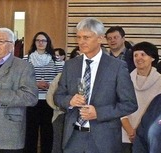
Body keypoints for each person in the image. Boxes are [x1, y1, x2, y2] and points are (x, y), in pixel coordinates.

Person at [54, 17, 137, 153]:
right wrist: (70, 100)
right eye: (78, 37)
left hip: (104, 140)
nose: (81, 42)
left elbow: (130, 104)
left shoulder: (117, 67)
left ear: (100, 38)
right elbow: (58, 96)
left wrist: (98, 113)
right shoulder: (71, 65)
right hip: (73, 137)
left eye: (86, 37)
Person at [22, 32, 62, 153]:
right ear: (34, 43)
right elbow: (21, 80)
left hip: (49, 101)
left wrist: (51, 85)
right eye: (38, 40)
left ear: (47, 43)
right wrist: (36, 84)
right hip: (32, 100)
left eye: (43, 40)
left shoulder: (56, 60)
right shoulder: (26, 59)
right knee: (30, 132)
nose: (40, 43)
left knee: (47, 132)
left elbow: (61, 79)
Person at [121, 42, 161, 153]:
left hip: (151, 137)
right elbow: (120, 107)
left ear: (152, 58)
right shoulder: (125, 80)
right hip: (126, 135)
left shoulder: (160, 81)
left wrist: (141, 132)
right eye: (135, 55)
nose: (138, 58)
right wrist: (130, 131)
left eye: (143, 54)